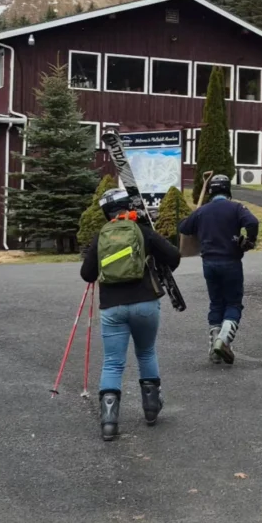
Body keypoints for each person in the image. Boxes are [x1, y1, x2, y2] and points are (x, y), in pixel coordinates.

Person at [80, 187, 180, 441]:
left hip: (112, 307)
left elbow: (86, 274)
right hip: (146, 303)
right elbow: (174, 256)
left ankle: (109, 422)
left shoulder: (100, 237)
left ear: (105, 212)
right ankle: (150, 409)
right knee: (146, 352)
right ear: (130, 206)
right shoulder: (144, 232)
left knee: (113, 361)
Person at [179, 174, 259, 365]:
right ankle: (223, 340)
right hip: (231, 261)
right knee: (233, 303)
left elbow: (184, 227)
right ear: (227, 190)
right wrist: (250, 240)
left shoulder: (203, 211)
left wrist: (197, 216)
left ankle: (214, 348)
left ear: (211, 192)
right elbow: (253, 222)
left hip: (209, 263)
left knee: (216, 303)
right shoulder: (236, 208)